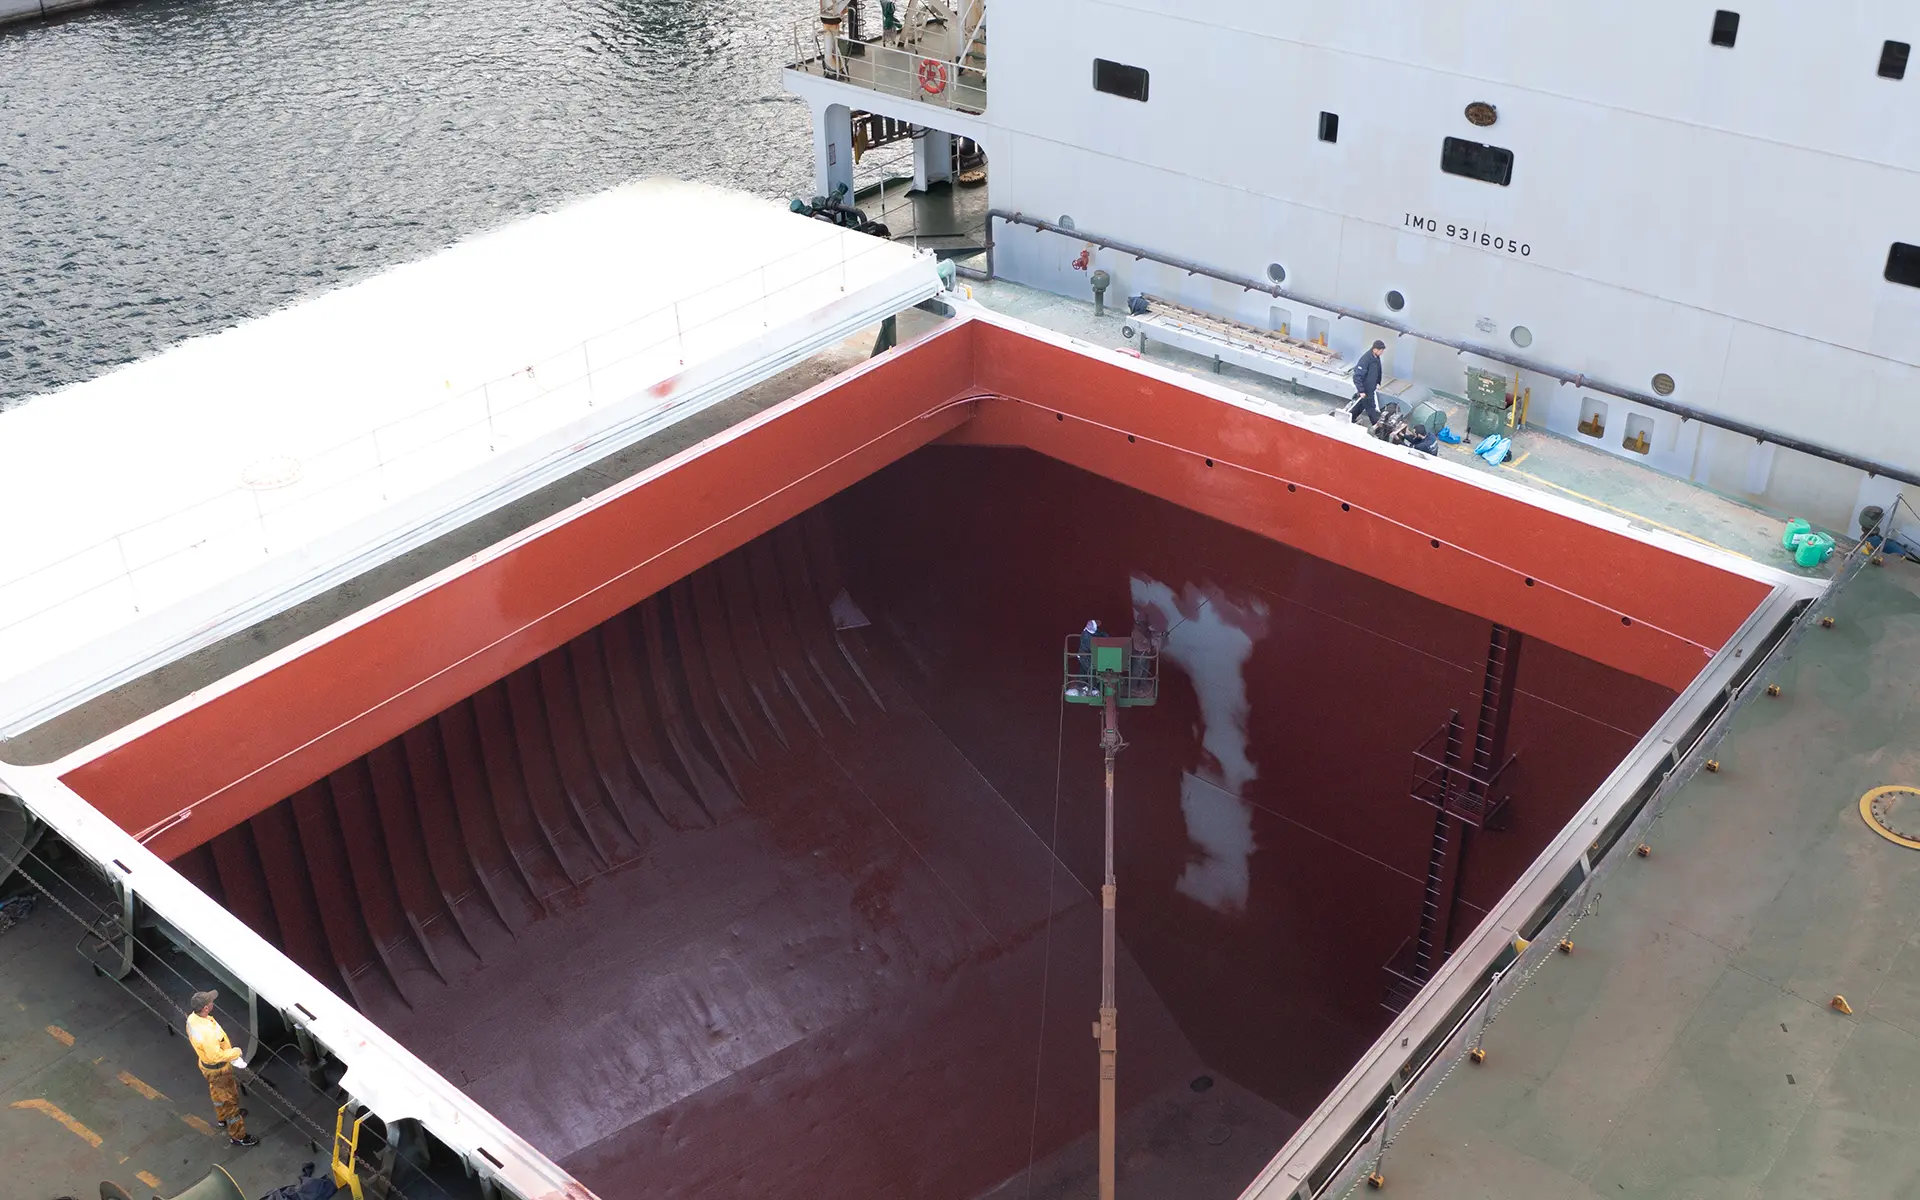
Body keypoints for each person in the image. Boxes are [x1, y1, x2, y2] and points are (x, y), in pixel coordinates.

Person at [186, 990, 257, 1147]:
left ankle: (222, 1118)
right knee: (230, 1101)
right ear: (205, 1008)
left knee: (216, 1092)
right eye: (210, 1001)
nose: (213, 1002)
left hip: (207, 1067)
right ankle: (238, 1135)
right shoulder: (207, 1033)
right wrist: (235, 1053)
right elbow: (215, 1056)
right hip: (218, 1070)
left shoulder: (193, 1019)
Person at [1349, 340, 1386, 426]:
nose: (1382, 352)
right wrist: (1361, 391)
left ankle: (1350, 418)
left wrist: (1377, 382)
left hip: (1370, 388)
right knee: (1371, 409)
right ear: (1375, 349)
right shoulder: (1365, 359)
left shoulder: (1376, 358)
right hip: (1366, 390)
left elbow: (1377, 371)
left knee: (1360, 405)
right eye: (1381, 350)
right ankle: (1377, 427)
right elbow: (1357, 376)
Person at [1071, 618, 1103, 695]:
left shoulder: (1090, 632)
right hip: (1085, 656)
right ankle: (1092, 688)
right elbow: (1091, 646)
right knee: (1091, 670)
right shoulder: (1086, 635)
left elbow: (1100, 634)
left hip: (1086, 656)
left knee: (1083, 670)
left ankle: (1081, 685)